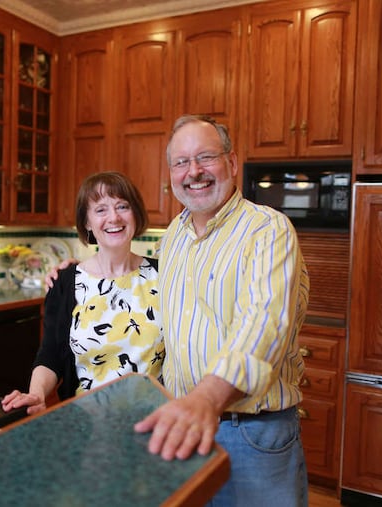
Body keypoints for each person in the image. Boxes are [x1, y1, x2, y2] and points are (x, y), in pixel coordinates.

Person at [132, 115, 310, 506]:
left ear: (231, 163)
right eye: (181, 162)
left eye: (205, 157)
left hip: (250, 435)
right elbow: (142, 294)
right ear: (171, 174)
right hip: (184, 430)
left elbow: (262, 326)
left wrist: (204, 400)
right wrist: (77, 273)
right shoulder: (173, 235)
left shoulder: (267, 230)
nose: (193, 171)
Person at [2, 171, 165, 415]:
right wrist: (36, 394)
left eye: (122, 206)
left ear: (136, 213)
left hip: (157, 423)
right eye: (100, 210)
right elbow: (50, 356)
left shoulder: (164, 275)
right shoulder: (66, 282)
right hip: (86, 423)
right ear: (87, 222)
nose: (114, 217)